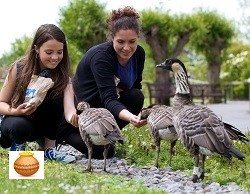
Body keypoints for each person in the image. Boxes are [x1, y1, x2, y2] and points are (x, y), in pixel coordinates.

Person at [56, 6, 147, 159]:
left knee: (136, 96)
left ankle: (105, 135)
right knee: (106, 153)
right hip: (80, 116)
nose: (127, 47)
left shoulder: (139, 54)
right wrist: (131, 117)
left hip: (102, 113)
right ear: (112, 37)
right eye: (120, 41)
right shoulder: (101, 57)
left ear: (138, 37)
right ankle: (64, 136)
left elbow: (135, 87)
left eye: (132, 41)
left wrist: (141, 114)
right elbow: (109, 99)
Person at [0, 24, 76, 163]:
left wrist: (75, 118)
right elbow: (1, 103)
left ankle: (49, 150)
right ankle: (18, 151)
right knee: (19, 126)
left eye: (59, 52)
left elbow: (69, 108)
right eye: (49, 52)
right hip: (15, 122)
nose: (55, 57)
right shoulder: (19, 68)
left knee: (55, 96)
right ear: (36, 49)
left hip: (41, 128)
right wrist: (16, 111)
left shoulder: (63, 77)